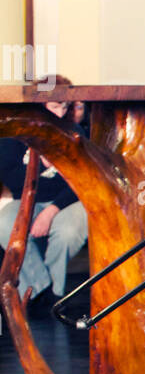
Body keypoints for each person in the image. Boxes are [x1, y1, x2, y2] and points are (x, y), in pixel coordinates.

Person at [0, 76, 88, 314]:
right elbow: (12, 178)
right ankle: (40, 290)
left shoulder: (75, 132)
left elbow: (81, 180)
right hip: (24, 198)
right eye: (54, 106)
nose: (60, 114)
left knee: (69, 231)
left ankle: (55, 296)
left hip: (66, 201)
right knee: (4, 224)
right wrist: (45, 166)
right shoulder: (14, 134)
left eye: (65, 107)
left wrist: (51, 211)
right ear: (39, 105)